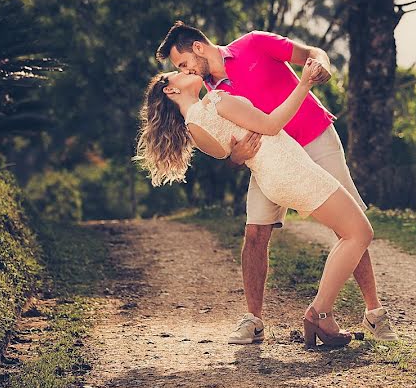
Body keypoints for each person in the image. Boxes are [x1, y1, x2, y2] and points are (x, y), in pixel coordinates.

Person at [154, 21, 397, 344]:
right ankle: (253, 319)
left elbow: (312, 53)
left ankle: (374, 313)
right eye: (179, 69)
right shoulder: (208, 96)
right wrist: (237, 157)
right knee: (255, 231)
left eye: (182, 63)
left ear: (198, 47)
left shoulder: (254, 43)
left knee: (348, 225)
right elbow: (228, 149)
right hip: (273, 161)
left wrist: (319, 66)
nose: (184, 69)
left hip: (314, 138)